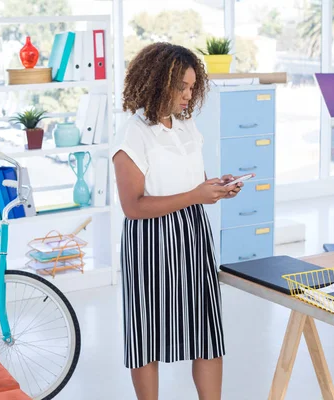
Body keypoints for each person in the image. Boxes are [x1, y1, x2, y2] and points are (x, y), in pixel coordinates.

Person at [112, 42, 249, 400]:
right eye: (182, 88)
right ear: (158, 83)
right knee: (147, 334)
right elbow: (133, 206)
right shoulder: (133, 133)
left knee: (207, 332)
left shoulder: (186, 126)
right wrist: (195, 196)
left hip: (193, 233)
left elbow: (194, 181)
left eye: (192, 87)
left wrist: (217, 187)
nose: (189, 95)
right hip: (150, 239)